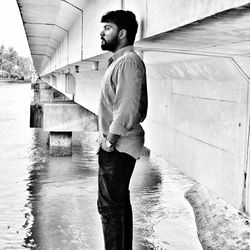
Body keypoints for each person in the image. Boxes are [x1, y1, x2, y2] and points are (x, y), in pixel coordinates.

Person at [97, 10, 148, 250]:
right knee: (117, 204)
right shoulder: (119, 62)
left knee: (109, 208)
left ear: (123, 33)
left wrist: (109, 142)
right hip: (119, 145)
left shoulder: (128, 61)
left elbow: (126, 109)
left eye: (108, 27)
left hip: (118, 146)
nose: (102, 32)